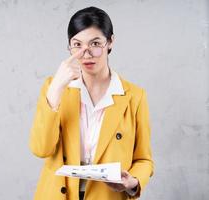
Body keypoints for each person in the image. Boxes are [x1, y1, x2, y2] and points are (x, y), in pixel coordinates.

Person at [29, 6, 154, 200]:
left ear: (110, 42)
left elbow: (144, 159)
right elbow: (41, 149)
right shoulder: (54, 88)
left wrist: (133, 182)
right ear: (69, 47)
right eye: (77, 45)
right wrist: (55, 89)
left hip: (107, 196)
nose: (86, 54)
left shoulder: (134, 96)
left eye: (95, 43)